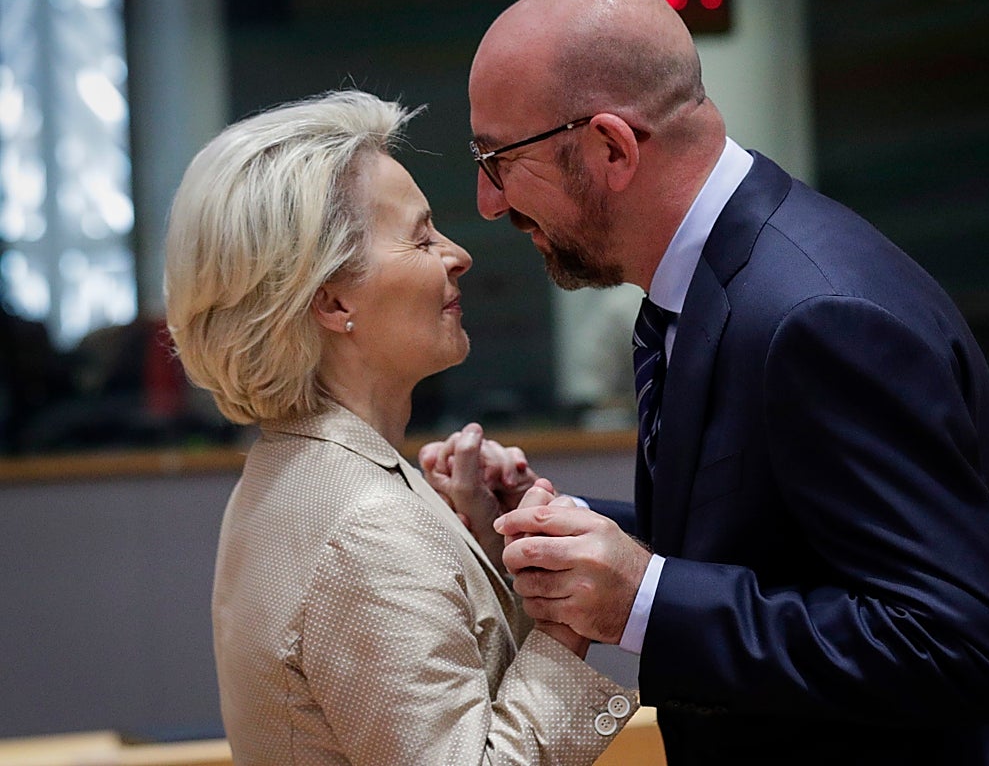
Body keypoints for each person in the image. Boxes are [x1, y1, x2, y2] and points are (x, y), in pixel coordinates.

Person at [443, 0, 989, 765]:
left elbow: (958, 645)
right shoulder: (714, 283)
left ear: (612, 148)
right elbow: (774, 539)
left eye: (497, 159)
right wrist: (550, 520)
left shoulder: (818, 315)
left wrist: (644, 600)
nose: (488, 202)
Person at [163, 89, 637, 765]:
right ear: (332, 301)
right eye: (421, 237)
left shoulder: (291, 472)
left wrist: (486, 544)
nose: (457, 254)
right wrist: (565, 615)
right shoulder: (368, 526)